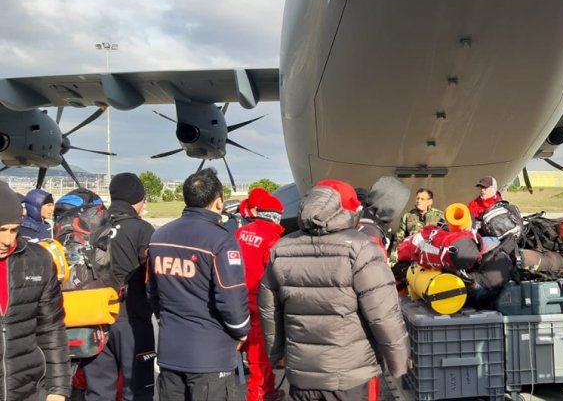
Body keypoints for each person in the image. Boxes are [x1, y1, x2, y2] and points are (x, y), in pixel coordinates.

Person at [259, 179, 408, 401]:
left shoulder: (281, 249)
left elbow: (269, 310)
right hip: (350, 376)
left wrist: (277, 354)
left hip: (302, 375)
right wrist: (399, 363)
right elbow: (384, 314)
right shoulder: (362, 249)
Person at [148, 168, 250, 400]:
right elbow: (231, 298)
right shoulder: (221, 240)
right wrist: (241, 330)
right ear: (218, 201)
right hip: (210, 357)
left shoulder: (159, 236)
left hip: (171, 351)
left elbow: (153, 293)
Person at [81, 173, 156, 401]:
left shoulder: (91, 226)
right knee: (138, 389)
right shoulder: (142, 229)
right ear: (137, 198)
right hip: (131, 321)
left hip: (93, 319)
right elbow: (153, 277)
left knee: (98, 392)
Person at [0, 181, 70, 400]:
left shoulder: (39, 260)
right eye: (1, 230)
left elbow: (52, 329)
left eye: (14, 230)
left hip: (28, 389)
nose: (7, 240)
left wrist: (58, 388)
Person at [234, 188, 286, 401]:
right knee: (259, 359)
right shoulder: (273, 239)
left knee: (242, 354)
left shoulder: (239, 232)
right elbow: (278, 276)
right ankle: (258, 396)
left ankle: (270, 390)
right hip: (260, 305)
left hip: (236, 304)